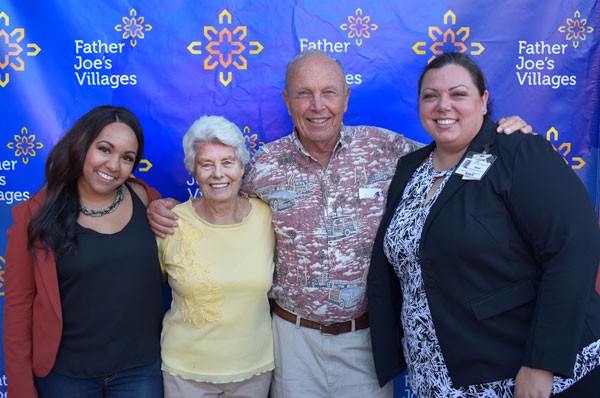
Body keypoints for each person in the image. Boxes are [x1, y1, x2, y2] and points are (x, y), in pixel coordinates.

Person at [147, 50, 532, 397]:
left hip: (365, 340)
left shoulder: (387, 149)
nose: (318, 106)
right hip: (290, 341)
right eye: (303, 94)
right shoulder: (261, 166)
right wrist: (156, 204)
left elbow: (454, 151)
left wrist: (498, 133)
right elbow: (217, 199)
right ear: (286, 101)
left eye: (329, 93)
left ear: (346, 97)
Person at [367, 51, 600, 398]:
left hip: (521, 372)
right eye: (431, 96)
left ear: (484, 100)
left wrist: (543, 362)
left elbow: (574, 248)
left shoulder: (518, 151)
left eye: (458, 94)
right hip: (438, 377)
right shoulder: (409, 168)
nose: (443, 105)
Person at [4, 105, 164, 398]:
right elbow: (17, 310)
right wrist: (20, 389)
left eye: (127, 158)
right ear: (81, 145)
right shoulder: (36, 215)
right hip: (65, 379)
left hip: (140, 373)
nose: (114, 166)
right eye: (104, 149)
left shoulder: (147, 200)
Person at [157, 115, 275, 397]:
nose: (218, 174)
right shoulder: (170, 223)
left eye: (227, 162)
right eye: (206, 164)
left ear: (242, 167)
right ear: (193, 171)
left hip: (254, 370)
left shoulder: (267, 217)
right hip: (184, 373)